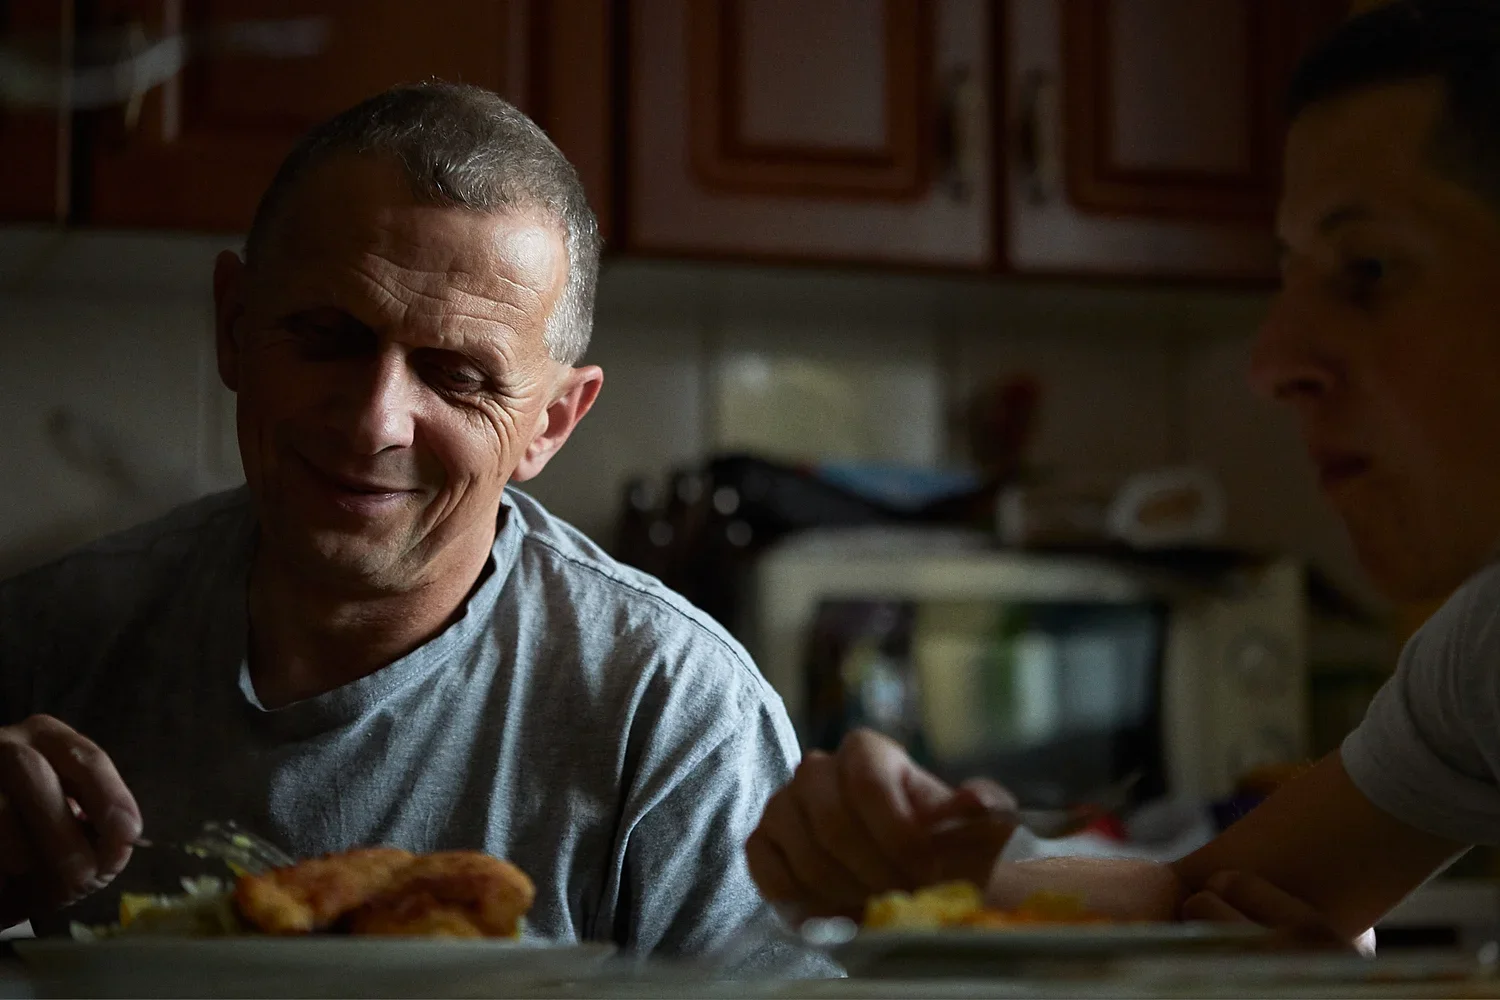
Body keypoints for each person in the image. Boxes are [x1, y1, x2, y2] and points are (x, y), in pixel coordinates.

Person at [0, 82, 813, 971]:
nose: (374, 422)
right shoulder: (45, 647)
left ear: (549, 424)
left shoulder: (675, 717)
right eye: (325, 335)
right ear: (234, 326)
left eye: (459, 374)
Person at [749, 0, 1500, 948]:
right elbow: (1201, 895)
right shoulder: (1480, 653)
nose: (1271, 362)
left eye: (1369, 269)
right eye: (1293, 276)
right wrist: (962, 867)